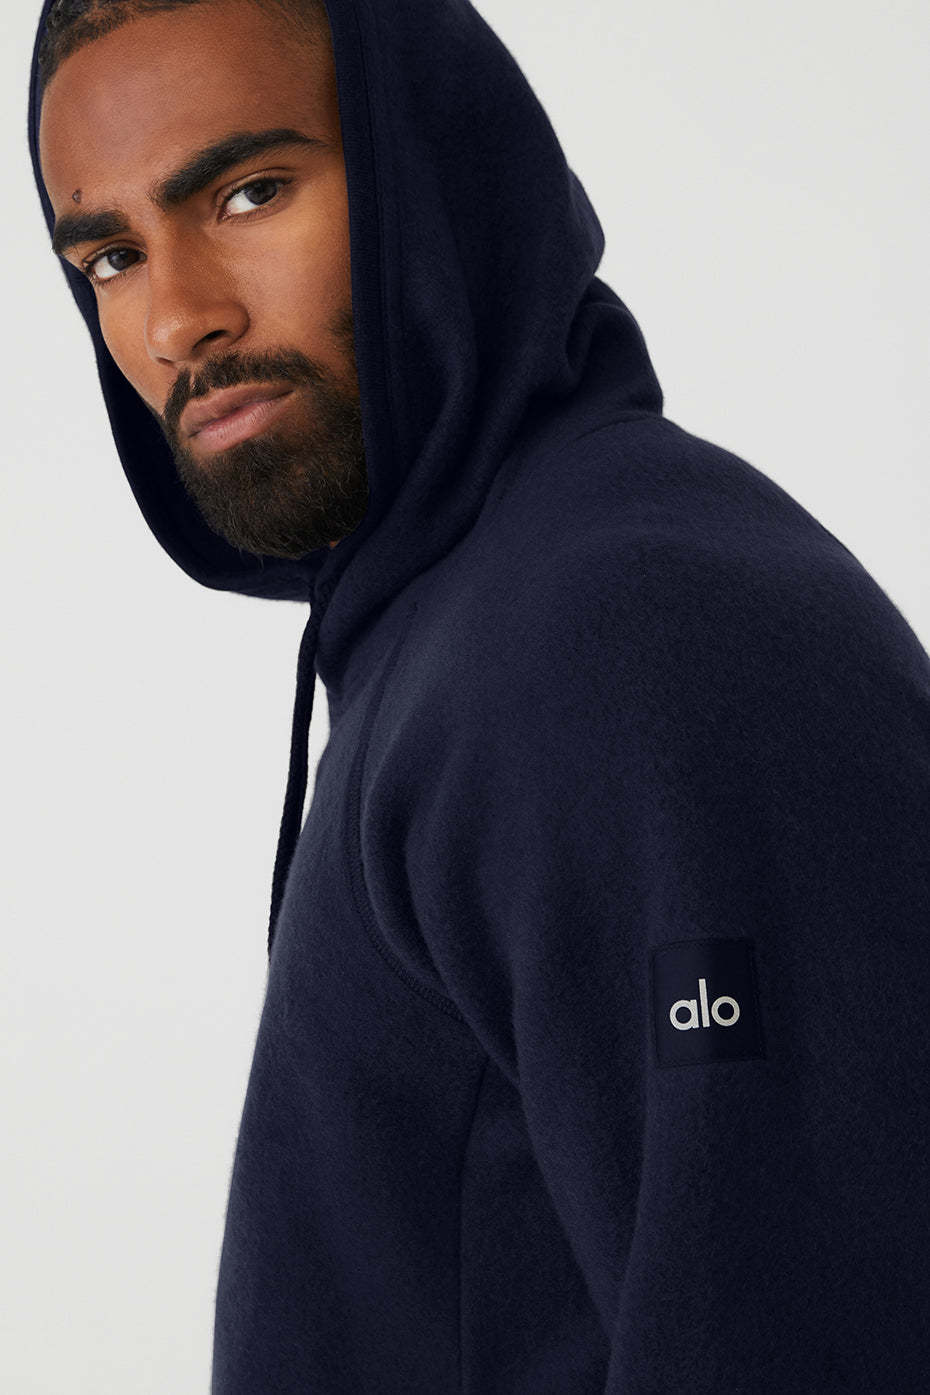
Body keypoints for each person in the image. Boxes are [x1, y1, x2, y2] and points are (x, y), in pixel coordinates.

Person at [29, 1, 930, 1391]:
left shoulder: (625, 631)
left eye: (250, 192)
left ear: (434, 170)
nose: (175, 318)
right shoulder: (459, 629)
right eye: (111, 256)